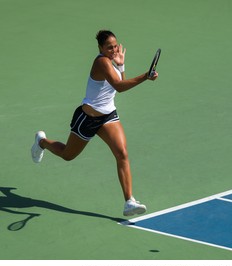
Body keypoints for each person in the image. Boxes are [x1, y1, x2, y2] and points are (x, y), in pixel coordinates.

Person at [31, 30, 158, 216]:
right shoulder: (101, 62)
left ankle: (129, 201)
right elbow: (119, 87)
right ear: (100, 48)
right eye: (109, 47)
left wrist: (121, 66)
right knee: (67, 155)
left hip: (108, 117)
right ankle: (41, 142)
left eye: (115, 46)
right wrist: (145, 76)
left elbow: (120, 82)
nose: (114, 50)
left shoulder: (113, 62)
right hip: (88, 118)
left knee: (122, 153)